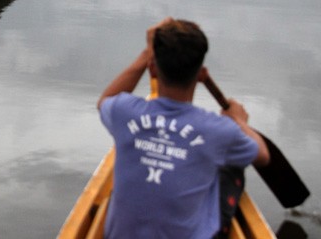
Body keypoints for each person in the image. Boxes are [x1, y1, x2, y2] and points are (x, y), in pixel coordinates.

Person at [97, 18, 270, 239]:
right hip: (220, 134)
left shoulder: (124, 111)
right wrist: (240, 121)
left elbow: (105, 100)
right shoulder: (219, 131)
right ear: (200, 75)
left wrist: (145, 54)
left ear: (152, 68)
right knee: (229, 166)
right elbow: (263, 155)